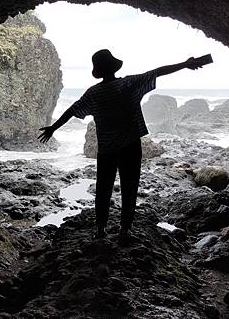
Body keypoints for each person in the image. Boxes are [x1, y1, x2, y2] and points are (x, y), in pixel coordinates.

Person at [38, 49, 206, 242]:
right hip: (131, 144)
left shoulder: (94, 93)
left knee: (103, 189)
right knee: (130, 187)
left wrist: (53, 128)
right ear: (114, 66)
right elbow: (158, 71)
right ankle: (125, 229)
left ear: (98, 70)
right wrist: (185, 64)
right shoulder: (129, 84)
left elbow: (72, 110)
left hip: (107, 149)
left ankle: (100, 229)